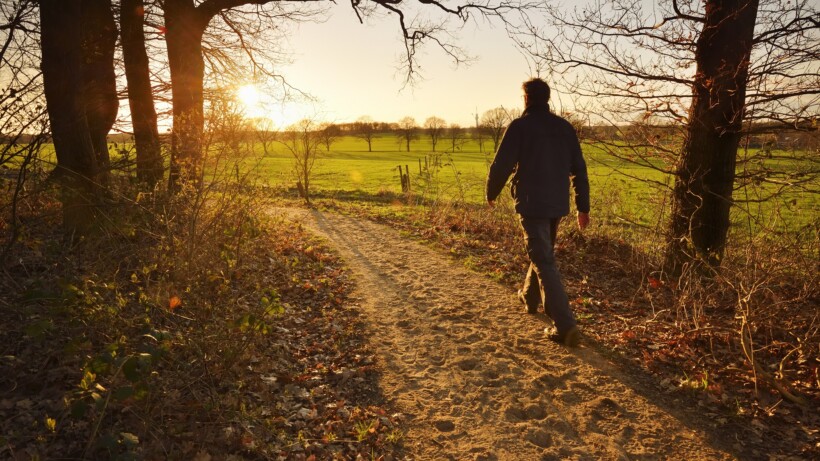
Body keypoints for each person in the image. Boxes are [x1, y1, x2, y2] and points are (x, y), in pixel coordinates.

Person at [486, 78, 590, 347]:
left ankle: (565, 326)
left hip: (532, 204)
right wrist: (583, 207)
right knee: (542, 253)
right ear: (547, 98)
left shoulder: (520, 127)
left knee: (543, 259)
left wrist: (491, 192)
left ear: (527, 98)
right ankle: (530, 298)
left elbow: (502, 164)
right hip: (557, 204)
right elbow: (579, 169)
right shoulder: (565, 128)